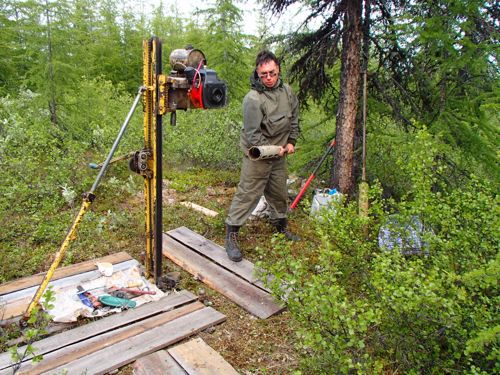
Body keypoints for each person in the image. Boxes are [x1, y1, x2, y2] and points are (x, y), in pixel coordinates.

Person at [224, 50, 300, 262]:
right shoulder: (253, 99)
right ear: (258, 74)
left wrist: (292, 141)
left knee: (278, 192)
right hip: (257, 155)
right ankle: (231, 235)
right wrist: (277, 149)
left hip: (279, 155)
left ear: (279, 70)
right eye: (264, 74)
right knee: (247, 194)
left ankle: (280, 228)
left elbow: (294, 119)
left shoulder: (287, 92)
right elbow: (253, 135)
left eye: (272, 73)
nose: (268, 78)